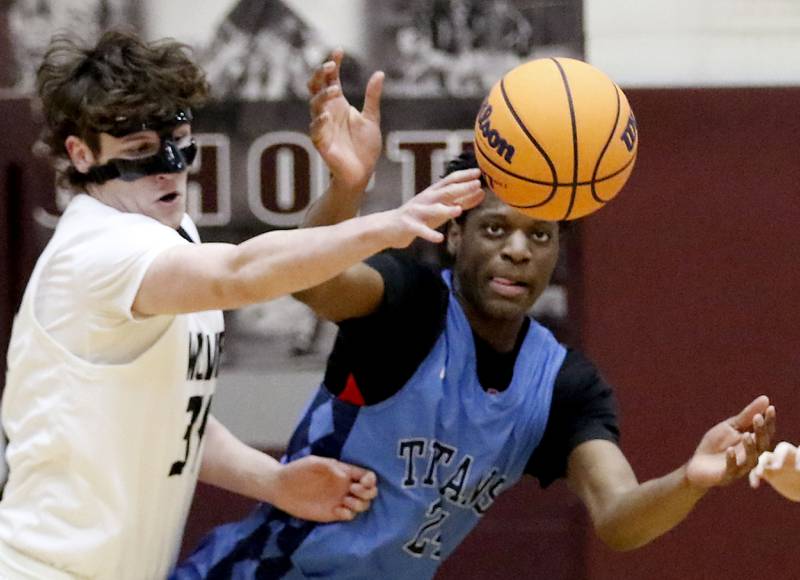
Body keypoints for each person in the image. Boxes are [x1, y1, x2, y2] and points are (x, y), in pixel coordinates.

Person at [174, 51, 777, 579]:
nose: (518, 249)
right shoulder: (411, 307)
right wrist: (347, 186)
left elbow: (618, 519)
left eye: (540, 236)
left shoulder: (563, 385)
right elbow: (313, 280)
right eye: (495, 228)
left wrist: (691, 480)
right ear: (453, 236)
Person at [0, 32, 484, 580]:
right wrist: (387, 225)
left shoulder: (169, 231)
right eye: (138, 150)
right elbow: (241, 273)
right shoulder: (96, 248)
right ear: (82, 154)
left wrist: (272, 481)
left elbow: (173, 414)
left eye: (179, 140)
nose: (167, 166)